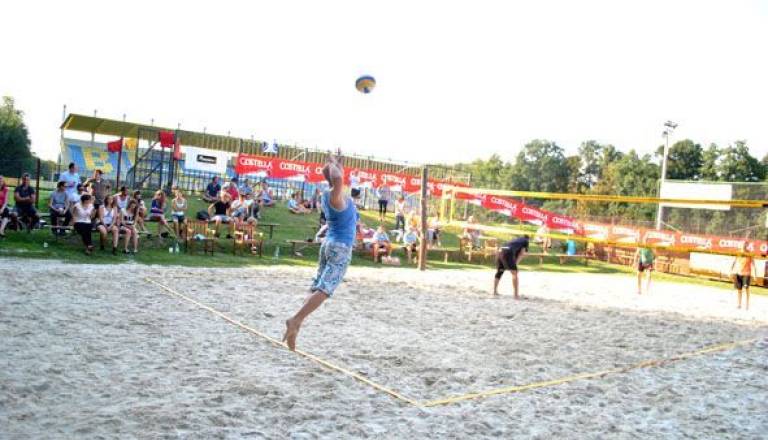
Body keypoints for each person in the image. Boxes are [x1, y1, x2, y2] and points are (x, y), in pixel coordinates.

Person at [283, 154, 359, 351]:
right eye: (339, 170)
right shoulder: (334, 196)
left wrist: (336, 163)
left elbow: (337, 176)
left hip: (329, 245)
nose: (341, 172)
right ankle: (296, 320)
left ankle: (297, 323)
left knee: (317, 286)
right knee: (326, 289)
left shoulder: (332, 196)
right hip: (340, 247)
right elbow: (338, 178)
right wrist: (333, 165)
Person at [730, 243, 755, 310]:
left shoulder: (750, 254)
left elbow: (753, 264)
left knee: (746, 288)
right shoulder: (739, 252)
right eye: (743, 245)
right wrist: (731, 271)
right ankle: (739, 304)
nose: (744, 246)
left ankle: (747, 304)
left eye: (745, 245)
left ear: (747, 246)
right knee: (739, 290)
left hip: (746, 273)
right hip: (738, 273)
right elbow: (734, 262)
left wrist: (755, 274)